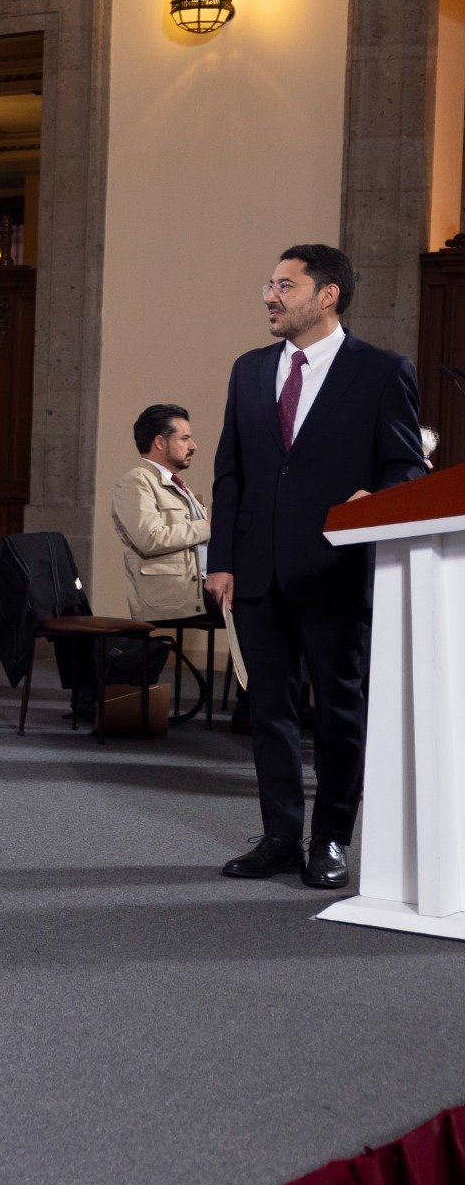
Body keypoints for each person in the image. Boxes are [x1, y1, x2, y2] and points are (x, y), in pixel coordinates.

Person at [207, 243, 426, 889]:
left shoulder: (383, 371)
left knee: (338, 714)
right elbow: (230, 474)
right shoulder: (248, 371)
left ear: (328, 294)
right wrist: (222, 560)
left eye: (285, 285)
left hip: (335, 571)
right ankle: (279, 834)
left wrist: (379, 499)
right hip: (256, 573)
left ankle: (330, 839)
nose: (270, 296)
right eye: (269, 284)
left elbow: (407, 463)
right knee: (267, 710)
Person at [112, 404, 210, 621]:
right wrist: (208, 527)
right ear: (159, 442)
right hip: (174, 596)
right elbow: (149, 538)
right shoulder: (136, 481)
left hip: (200, 585)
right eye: (184, 439)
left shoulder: (176, 484)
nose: (193, 446)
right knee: (254, 607)